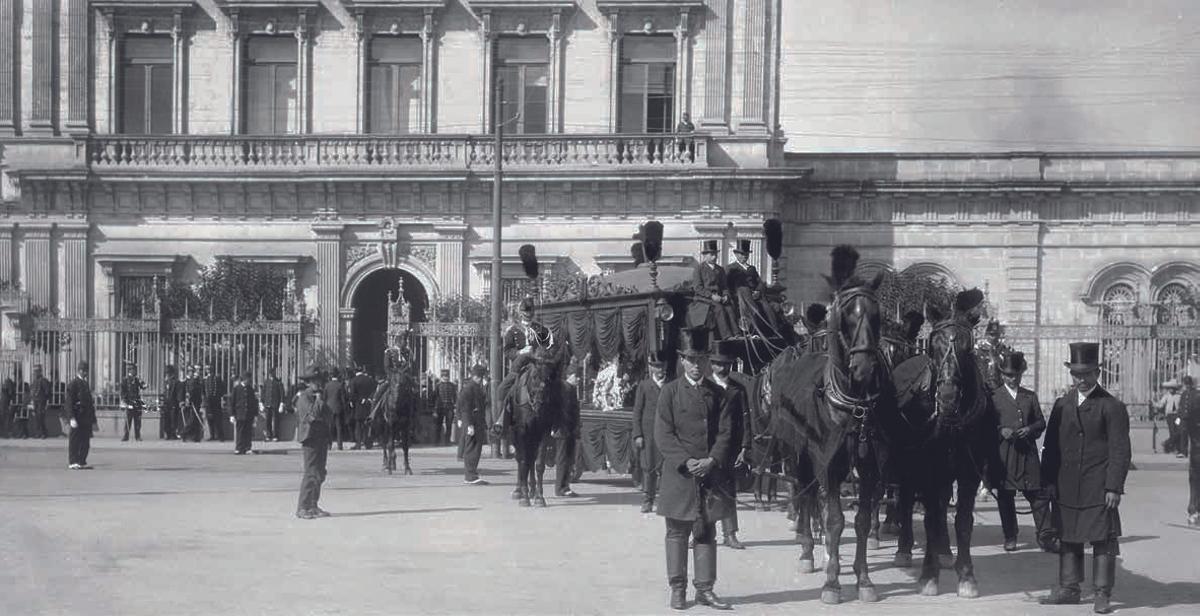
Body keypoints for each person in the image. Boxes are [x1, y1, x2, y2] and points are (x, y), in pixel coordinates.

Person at [1040, 342, 1131, 614]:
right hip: (1066, 483)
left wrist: (1113, 486)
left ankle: (1102, 593)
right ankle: (1069, 588)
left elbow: (1120, 450)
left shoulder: (1111, 406)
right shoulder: (1061, 405)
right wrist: (1047, 483)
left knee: (1103, 538)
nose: (1081, 380)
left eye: (1087, 374)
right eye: (1076, 374)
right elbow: (1051, 447)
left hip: (1098, 485)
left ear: (1098, 373)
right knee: (1068, 535)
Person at [654, 329, 735, 611]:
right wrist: (686, 462)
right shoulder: (669, 392)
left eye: (701, 359)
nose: (696, 365)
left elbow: (726, 432)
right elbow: (663, 434)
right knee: (676, 533)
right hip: (680, 477)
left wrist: (712, 460)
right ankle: (678, 589)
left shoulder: (717, 394)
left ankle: (705, 589)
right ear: (682, 360)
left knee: (706, 532)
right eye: (690, 359)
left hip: (709, 476)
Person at [989, 352, 1056, 553]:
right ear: (1002, 375)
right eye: (1009, 375)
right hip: (1005, 455)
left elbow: (1041, 422)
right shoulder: (994, 398)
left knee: (1038, 494)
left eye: (1016, 374)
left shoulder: (1029, 396)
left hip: (1027, 454)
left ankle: (1045, 534)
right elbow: (986, 426)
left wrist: (1030, 429)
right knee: (1006, 496)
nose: (1013, 378)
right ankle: (1010, 536)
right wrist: (1001, 430)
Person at [708, 351, 747, 551]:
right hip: (707, 447)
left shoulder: (738, 390)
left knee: (728, 491)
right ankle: (703, 533)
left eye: (727, 365)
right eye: (719, 364)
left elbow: (746, 420)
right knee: (706, 491)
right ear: (712, 365)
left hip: (731, 448)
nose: (723, 369)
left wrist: (744, 447)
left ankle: (730, 535)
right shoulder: (703, 386)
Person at [295, 365, 333, 519]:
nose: (318, 383)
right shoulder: (304, 397)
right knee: (311, 473)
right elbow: (312, 416)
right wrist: (319, 400)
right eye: (315, 381)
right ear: (308, 382)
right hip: (310, 438)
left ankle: (313, 504)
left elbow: (328, 416)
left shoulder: (321, 396)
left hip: (321, 437)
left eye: (320, 380)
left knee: (320, 473)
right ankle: (302, 507)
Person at [634, 353, 669, 513]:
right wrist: (638, 434)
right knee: (649, 468)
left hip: (667, 433)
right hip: (648, 434)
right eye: (656, 366)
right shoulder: (644, 385)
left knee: (666, 468)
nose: (659, 369)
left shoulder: (671, 385)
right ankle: (648, 500)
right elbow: (637, 412)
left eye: (661, 366)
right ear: (651, 368)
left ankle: (665, 501)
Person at [726, 240, 780, 336]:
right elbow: (727, 285)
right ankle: (754, 331)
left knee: (768, 307)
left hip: (755, 295)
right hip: (740, 297)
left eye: (746, 254)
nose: (744, 256)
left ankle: (775, 331)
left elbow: (759, 283)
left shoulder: (752, 268)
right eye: (742, 254)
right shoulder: (731, 268)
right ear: (736, 254)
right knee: (751, 304)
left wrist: (758, 291)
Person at [687, 240, 737, 340]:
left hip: (719, 297)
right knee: (719, 309)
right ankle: (726, 336)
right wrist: (711, 296)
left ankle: (737, 334)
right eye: (711, 254)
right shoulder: (699, 269)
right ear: (705, 256)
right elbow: (698, 287)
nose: (714, 257)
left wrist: (726, 295)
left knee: (729, 308)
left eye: (715, 254)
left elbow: (724, 286)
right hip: (703, 299)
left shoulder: (720, 269)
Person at [457, 364, 489, 485]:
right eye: (480, 377)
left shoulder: (474, 387)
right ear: (476, 376)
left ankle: (472, 473)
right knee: (472, 448)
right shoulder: (469, 389)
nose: (481, 379)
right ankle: (470, 475)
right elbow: (465, 408)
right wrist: (469, 425)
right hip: (472, 422)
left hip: (477, 422)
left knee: (476, 449)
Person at [553, 370, 581, 498]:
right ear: (569, 375)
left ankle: (565, 486)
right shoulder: (563, 389)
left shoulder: (571, 389)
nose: (578, 379)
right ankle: (560, 488)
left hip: (569, 429)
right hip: (562, 429)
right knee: (563, 458)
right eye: (576, 376)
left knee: (568, 459)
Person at [65, 360, 96, 470]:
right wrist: (71, 418)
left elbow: (89, 404)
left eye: (86, 370)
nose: (86, 373)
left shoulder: (85, 384)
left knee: (85, 440)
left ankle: (81, 460)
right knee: (75, 440)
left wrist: (94, 421)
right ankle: (73, 461)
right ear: (80, 371)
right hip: (77, 415)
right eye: (84, 371)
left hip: (85, 417)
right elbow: (69, 402)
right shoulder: (73, 384)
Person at [1180, 376, 1200, 527]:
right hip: (1197, 444)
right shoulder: (1193, 397)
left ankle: (1193, 510)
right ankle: (1194, 509)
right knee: (1195, 476)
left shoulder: (1194, 396)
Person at [230, 371, 258, 455]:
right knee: (240, 431)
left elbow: (254, 403)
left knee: (248, 431)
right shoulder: (237, 388)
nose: (248, 381)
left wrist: (255, 415)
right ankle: (239, 447)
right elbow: (232, 402)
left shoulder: (250, 389)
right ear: (244, 379)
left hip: (249, 414)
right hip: (240, 413)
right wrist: (232, 414)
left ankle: (247, 447)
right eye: (247, 379)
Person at [348, 365, 376, 447]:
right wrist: (369, 399)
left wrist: (355, 401)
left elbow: (352, 394)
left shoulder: (353, 381)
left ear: (355, 372)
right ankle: (368, 442)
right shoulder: (369, 380)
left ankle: (358, 443)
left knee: (358, 424)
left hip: (358, 405)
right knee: (367, 424)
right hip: (368, 404)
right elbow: (374, 390)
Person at [118, 361, 146, 442]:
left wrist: (144, 384)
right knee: (128, 419)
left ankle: (138, 436)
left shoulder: (137, 380)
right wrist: (124, 400)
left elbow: (143, 387)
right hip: (129, 402)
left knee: (138, 420)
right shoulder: (125, 380)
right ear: (130, 371)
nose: (135, 371)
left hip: (137, 402)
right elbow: (122, 391)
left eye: (135, 370)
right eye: (134, 370)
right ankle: (126, 435)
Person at [431, 369, 458, 446]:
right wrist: (434, 408)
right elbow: (434, 397)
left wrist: (455, 406)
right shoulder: (438, 386)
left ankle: (447, 441)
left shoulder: (452, 385)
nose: (446, 377)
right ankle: (437, 441)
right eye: (444, 376)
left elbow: (455, 397)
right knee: (438, 425)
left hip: (449, 407)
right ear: (441, 376)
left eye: (447, 376)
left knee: (449, 425)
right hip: (440, 407)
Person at [323, 369, 348, 451]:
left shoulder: (327, 385)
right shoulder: (340, 385)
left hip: (329, 408)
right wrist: (344, 407)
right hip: (338, 408)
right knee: (338, 427)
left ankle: (328, 444)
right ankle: (339, 445)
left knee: (329, 427)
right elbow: (343, 398)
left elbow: (324, 397)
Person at [1156, 379, 1182, 455]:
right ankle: (1174, 449)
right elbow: (1161, 404)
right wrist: (1155, 404)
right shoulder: (1166, 396)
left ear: (1175, 389)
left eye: (1173, 388)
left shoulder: (1179, 396)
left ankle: (1167, 443)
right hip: (1170, 416)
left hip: (1177, 416)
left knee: (1178, 431)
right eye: (1170, 388)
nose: (1171, 389)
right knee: (1172, 431)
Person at [160, 365, 186, 441]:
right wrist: (163, 401)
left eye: (168, 373)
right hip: (167, 403)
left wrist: (180, 401)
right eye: (166, 373)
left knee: (173, 419)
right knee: (166, 419)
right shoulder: (166, 382)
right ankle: (168, 433)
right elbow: (165, 393)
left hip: (173, 403)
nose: (167, 375)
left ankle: (173, 433)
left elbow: (179, 393)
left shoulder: (177, 382)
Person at [260, 366, 285, 442]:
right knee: (268, 420)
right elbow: (263, 393)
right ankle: (268, 435)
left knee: (276, 420)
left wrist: (281, 403)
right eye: (270, 373)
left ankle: (276, 435)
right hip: (268, 403)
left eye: (272, 372)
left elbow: (281, 393)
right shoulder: (266, 382)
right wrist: (261, 402)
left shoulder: (278, 382)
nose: (271, 374)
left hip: (275, 403)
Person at [202, 364, 226, 442]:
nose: (208, 371)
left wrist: (220, 397)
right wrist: (204, 400)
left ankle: (220, 436)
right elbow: (203, 391)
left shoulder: (217, 378)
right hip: (208, 402)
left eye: (210, 369)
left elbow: (222, 389)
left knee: (218, 419)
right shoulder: (205, 379)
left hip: (216, 401)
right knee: (210, 419)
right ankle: (212, 435)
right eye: (207, 369)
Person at [29, 364, 51, 439]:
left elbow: (47, 392)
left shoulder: (44, 380)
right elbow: (32, 391)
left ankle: (43, 433)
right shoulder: (34, 381)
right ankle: (38, 433)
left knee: (40, 417)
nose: (35, 373)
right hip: (35, 402)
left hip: (42, 402)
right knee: (36, 418)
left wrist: (47, 402)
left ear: (40, 372)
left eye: (37, 371)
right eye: (34, 371)